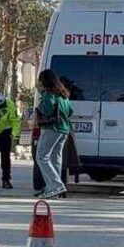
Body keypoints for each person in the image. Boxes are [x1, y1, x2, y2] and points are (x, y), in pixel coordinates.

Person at [33, 69, 73, 200]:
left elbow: (48, 109)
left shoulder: (48, 93)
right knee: (56, 158)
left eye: (40, 81)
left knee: (42, 157)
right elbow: (71, 111)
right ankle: (54, 189)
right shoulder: (63, 94)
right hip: (64, 129)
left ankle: (55, 186)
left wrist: (43, 99)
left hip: (52, 128)